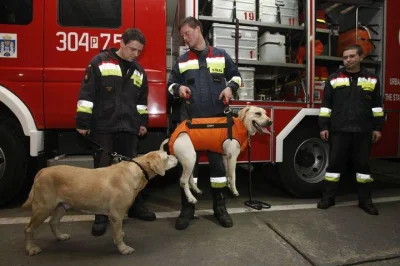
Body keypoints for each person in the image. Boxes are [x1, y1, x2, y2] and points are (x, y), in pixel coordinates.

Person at [75, 28, 156, 237]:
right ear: (121, 43)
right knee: (101, 174)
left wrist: (142, 122)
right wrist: (82, 122)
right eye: (132, 49)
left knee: (133, 173)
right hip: (104, 127)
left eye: (139, 51)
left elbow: (141, 102)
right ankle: (100, 216)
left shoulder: (139, 71)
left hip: (128, 129)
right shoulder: (100, 62)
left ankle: (135, 207)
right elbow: (86, 94)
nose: (135, 54)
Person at [167, 17, 242, 230]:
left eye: (187, 33)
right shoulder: (182, 60)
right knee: (189, 168)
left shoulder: (221, 55)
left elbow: (236, 77)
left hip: (217, 122)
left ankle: (220, 208)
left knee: (219, 169)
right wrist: (178, 89)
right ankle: (187, 209)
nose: (185, 37)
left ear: (198, 30)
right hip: (191, 123)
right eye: (182, 35)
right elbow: (170, 84)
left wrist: (230, 88)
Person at [318, 44, 384, 215]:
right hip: (339, 129)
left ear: (361, 57)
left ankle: (365, 200)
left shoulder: (372, 79)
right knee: (334, 165)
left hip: (363, 130)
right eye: (345, 57)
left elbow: (377, 105)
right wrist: (324, 126)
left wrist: (377, 128)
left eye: (352, 56)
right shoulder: (334, 78)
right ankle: (328, 197)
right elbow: (326, 105)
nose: (348, 60)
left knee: (362, 166)